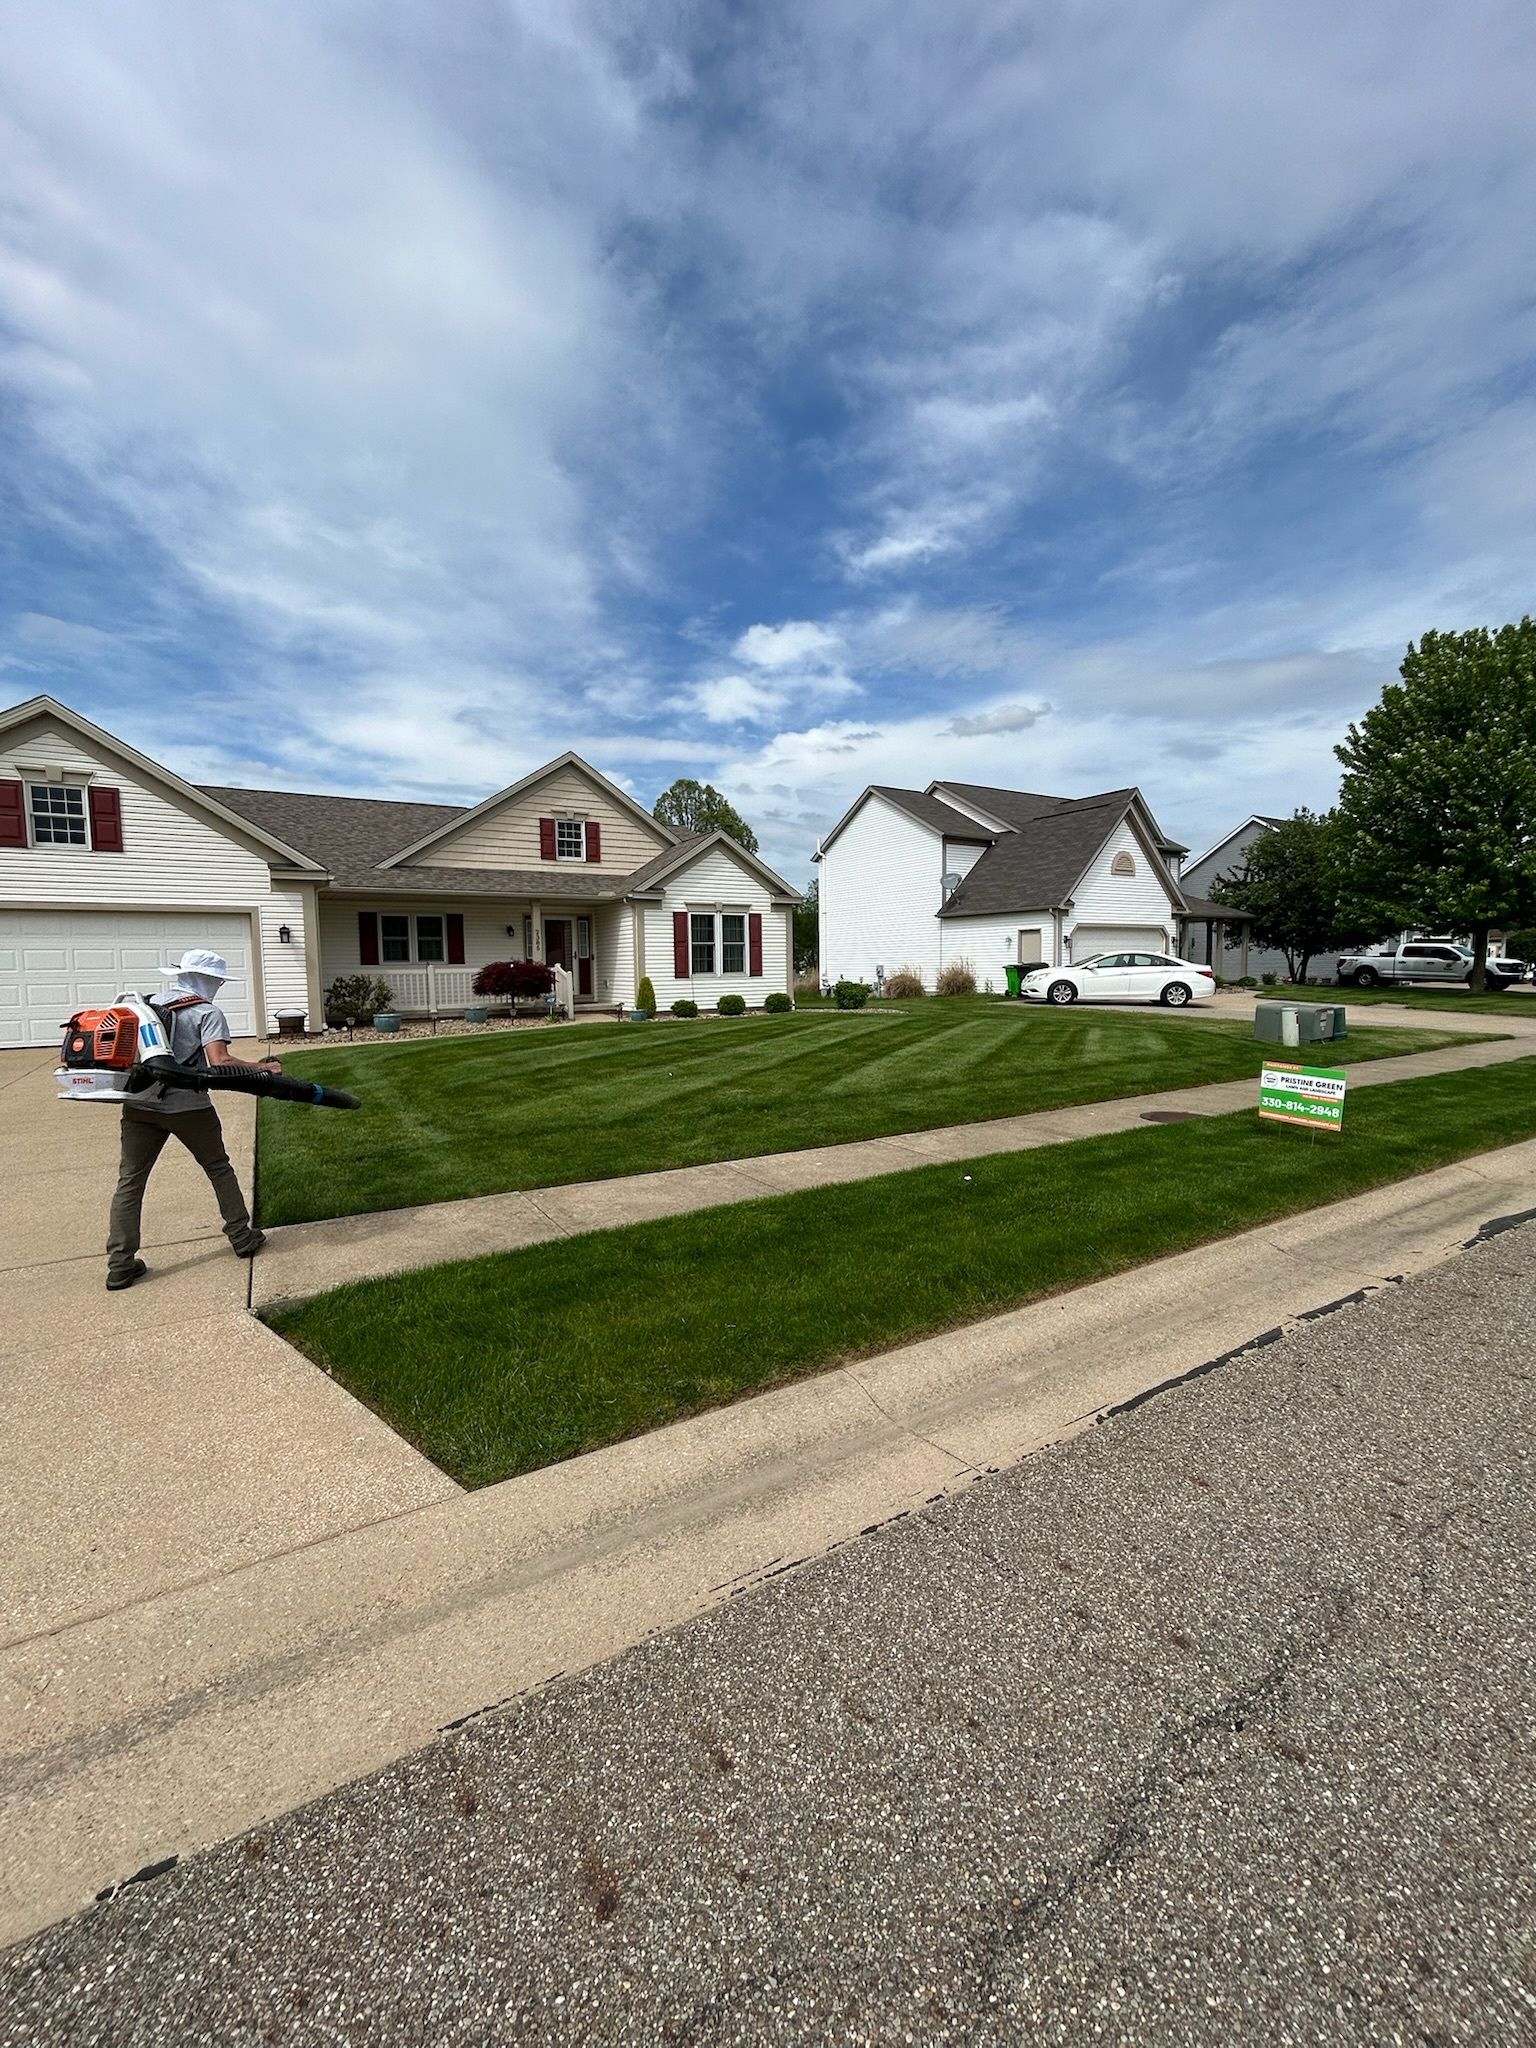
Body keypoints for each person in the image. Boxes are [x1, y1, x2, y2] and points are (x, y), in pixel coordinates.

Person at [105, 948, 281, 1292]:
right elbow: (219, 1062)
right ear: (211, 981)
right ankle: (241, 1236)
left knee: (130, 1183)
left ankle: (120, 1265)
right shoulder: (206, 1012)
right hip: (189, 1108)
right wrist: (264, 1068)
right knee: (218, 1167)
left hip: (140, 1107)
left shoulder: (144, 1006)